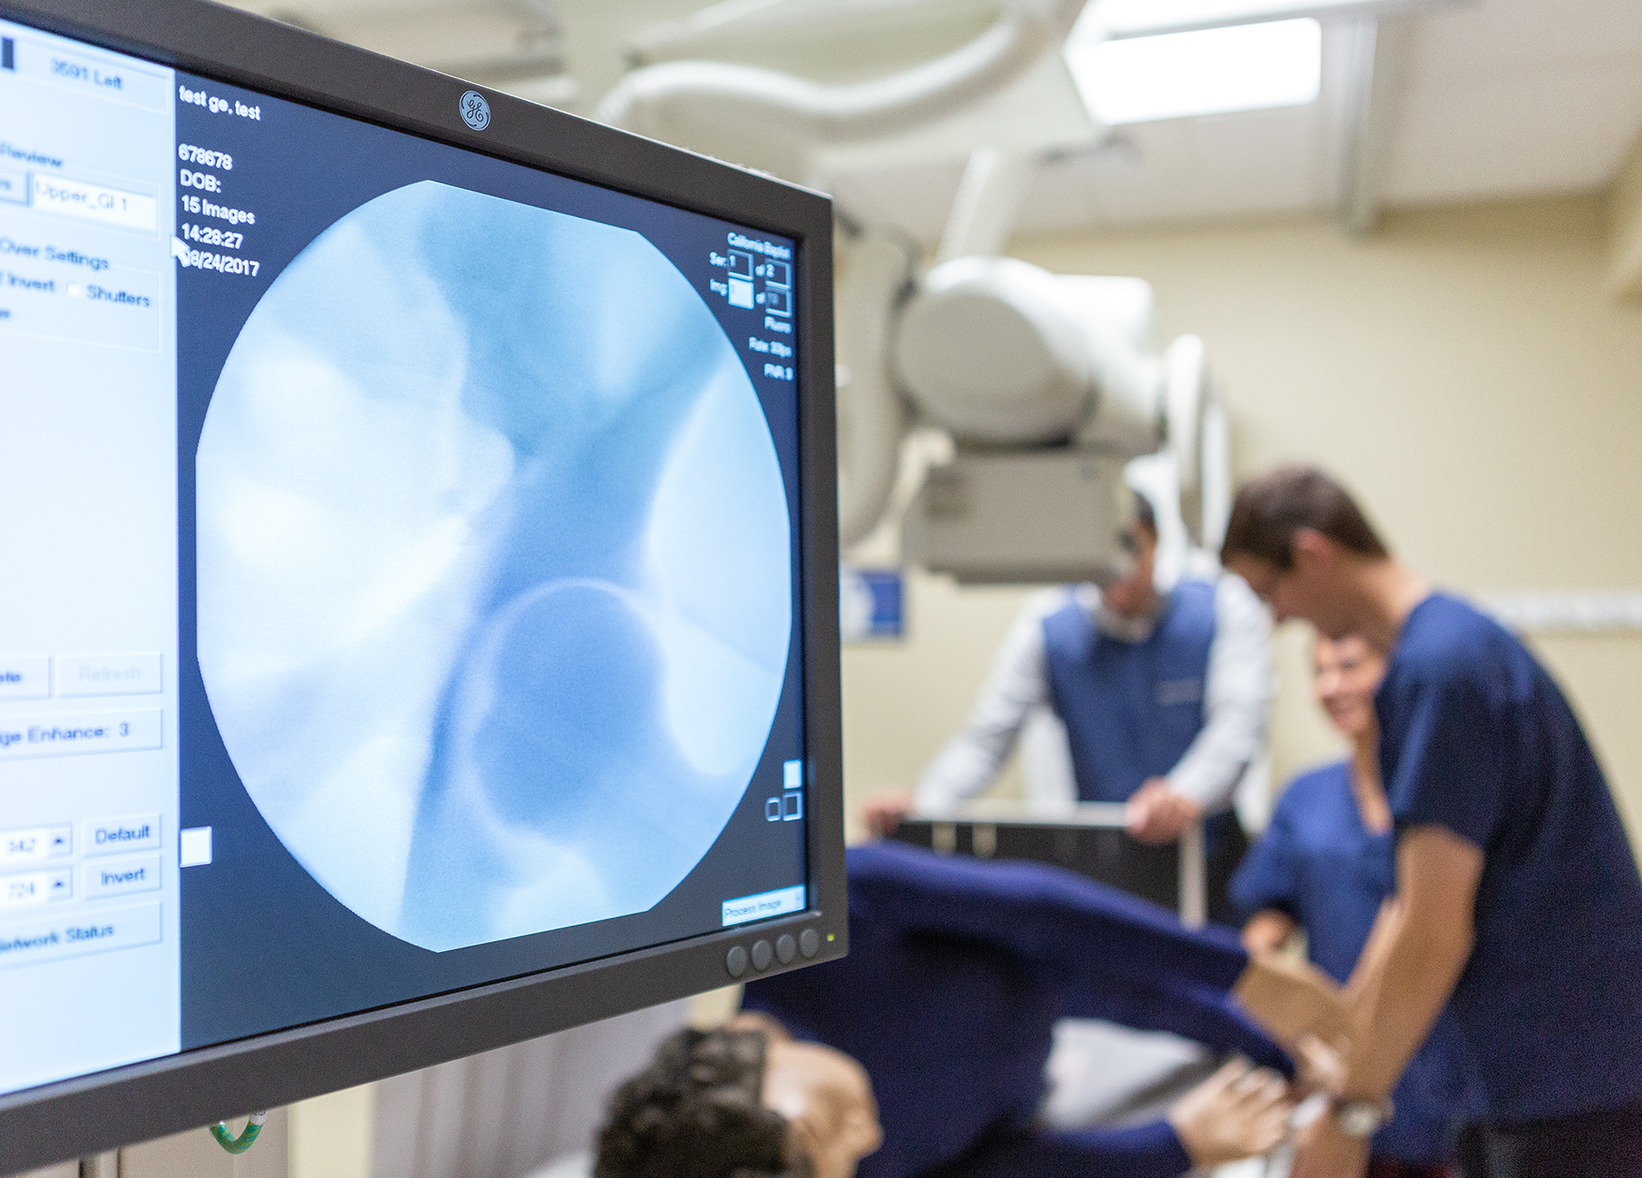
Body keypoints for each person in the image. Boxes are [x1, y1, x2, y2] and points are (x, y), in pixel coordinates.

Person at [1221, 465, 1642, 1178]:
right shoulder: (1453, 652)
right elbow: (1406, 909)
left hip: (1576, 1086)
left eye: (1269, 591)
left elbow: (1434, 929)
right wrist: (1340, 1067)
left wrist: (1352, 1116)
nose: (1277, 617)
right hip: (1543, 1081)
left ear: (1312, 553)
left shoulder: (1439, 670)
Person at [598, 842, 1350, 1178]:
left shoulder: (828, 924)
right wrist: (1177, 1144)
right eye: (847, 1166)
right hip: (1053, 1078)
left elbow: (1041, 915)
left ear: (738, 1049)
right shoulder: (837, 1162)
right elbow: (1006, 1167)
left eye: (829, 1129)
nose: (869, 1137)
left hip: (1059, 981)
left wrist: (1245, 979)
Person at [863, 491, 1273, 921]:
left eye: (1130, 547)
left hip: (1213, 865)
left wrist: (1184, 794)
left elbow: (1239, 726)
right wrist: (925, 806)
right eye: (1102, 554)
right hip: (1107, 867)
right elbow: (987, 740)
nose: (1120, 569)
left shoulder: (1224, 607)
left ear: (1156, 542)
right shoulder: (1047, 628)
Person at [1231, 633, 1476, 1178]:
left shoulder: (1450, 793)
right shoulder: (1307, 797)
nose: (1332, 686)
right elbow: (1267, 911)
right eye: (1319, 672)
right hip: (1338, 1075)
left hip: (1449, 1068)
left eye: (1349, 665)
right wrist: (1269, 991)